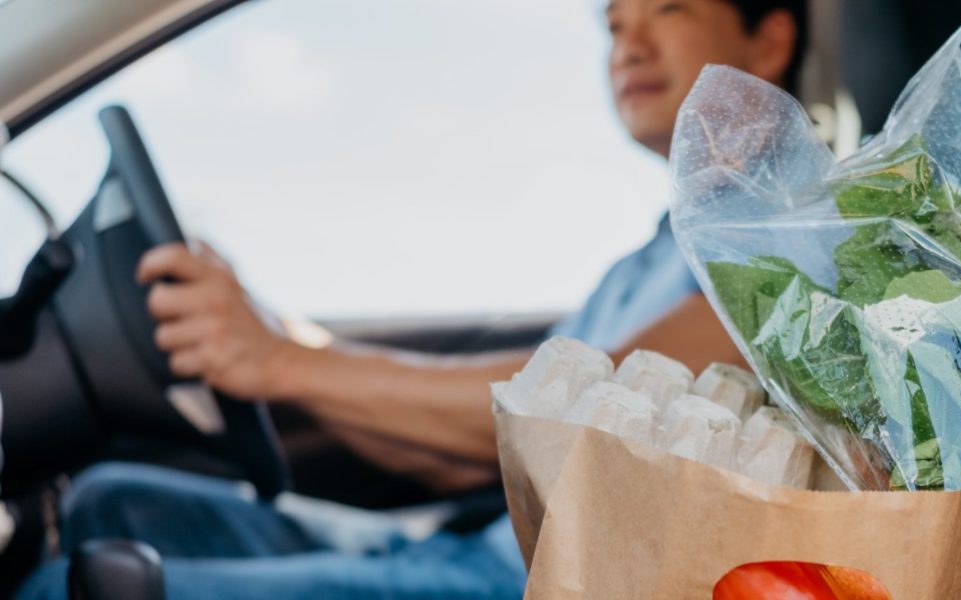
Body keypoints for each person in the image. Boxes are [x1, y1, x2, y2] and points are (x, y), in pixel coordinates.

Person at [17, 0, 807, 597]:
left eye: (668, 7)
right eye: (611, 22)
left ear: (768, 38)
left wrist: (278, 364)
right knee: (111, 501)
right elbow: (462, 449)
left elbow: (577, 417)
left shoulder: (798, 235)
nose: (627, 44)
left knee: (64, 588)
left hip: (520, 583)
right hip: (459, 543)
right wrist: (272, 340)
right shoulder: (646, 256)